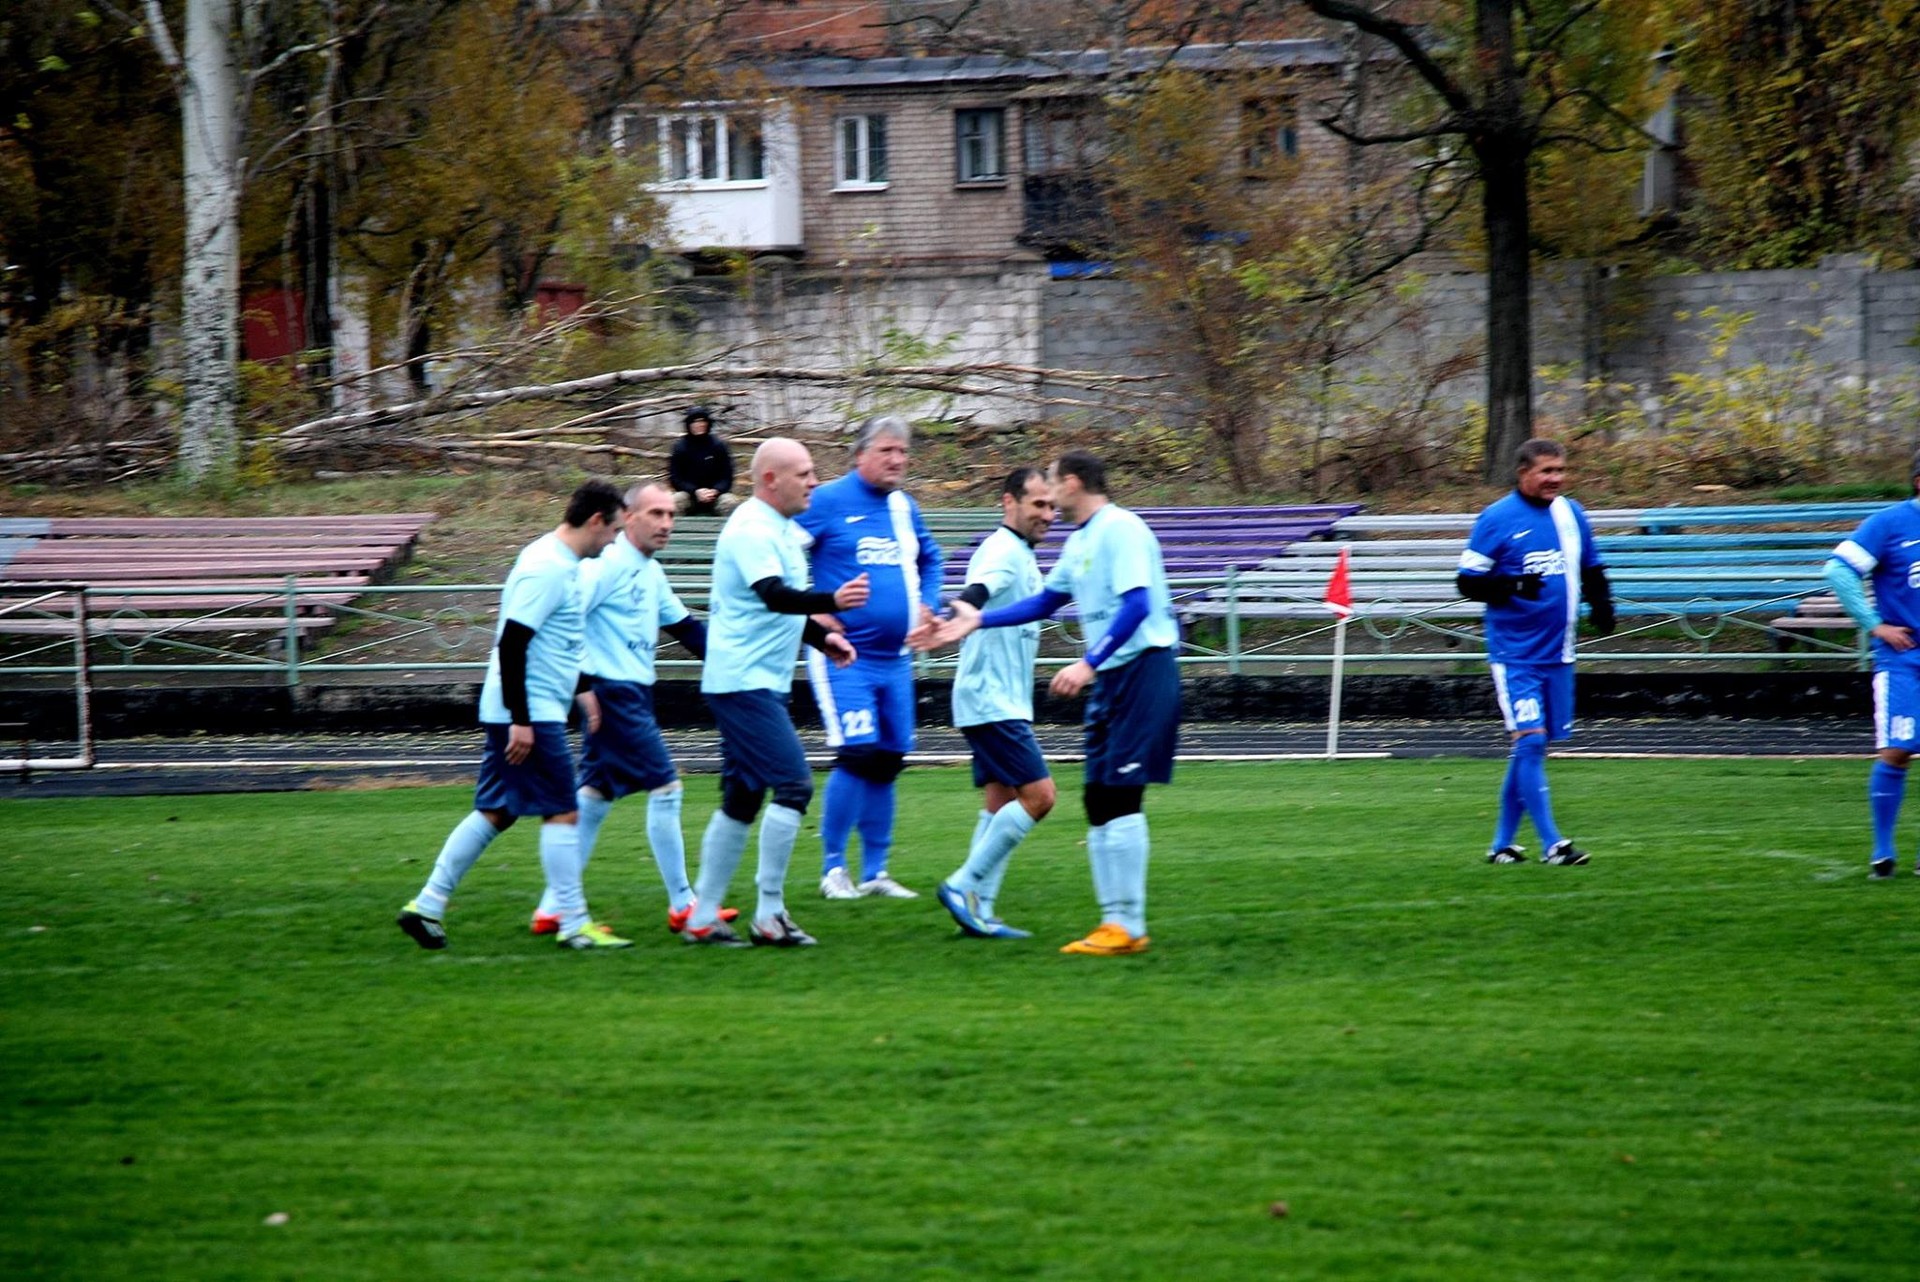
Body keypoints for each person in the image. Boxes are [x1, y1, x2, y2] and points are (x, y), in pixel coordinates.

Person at [917, 450, 1178, 956]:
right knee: (1097, 797)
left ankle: (1124, 924)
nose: (1051, 500)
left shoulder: (1120, 528)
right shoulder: (1080, 541)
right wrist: (978, 619)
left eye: (1053, 485)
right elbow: (1044, 602)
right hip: (1109, 676)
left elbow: (1139, 604)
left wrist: (1087, 663)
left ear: (1073, 483)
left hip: (1143, 669)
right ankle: (1114, 924)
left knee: (1117, 794)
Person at [397, 479, 628, 951]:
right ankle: (572, 923)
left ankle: (427, 905)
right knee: (564, 811)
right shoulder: (547, 568)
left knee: (498, 810)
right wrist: (521, 718)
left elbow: (552, 641)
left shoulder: (561, 564)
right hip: (528, 712)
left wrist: (582, 690)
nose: (614, 542)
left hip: (527, 707)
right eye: (615, 531)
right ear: (596, 521)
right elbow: (513, 644)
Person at [528, 481, 739, 937]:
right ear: (628, 517)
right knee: (667, 789)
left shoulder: (649, 570)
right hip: (613, 694)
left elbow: (686, 629)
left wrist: (734, 662)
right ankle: (684, 903)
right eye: (655, 514)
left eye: (670, 515)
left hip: (632, 693)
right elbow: (566, 619)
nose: (666, 523)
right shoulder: (606, 565)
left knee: (596, 796)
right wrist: (582, 682)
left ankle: (551, 907)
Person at [682, 437, 869, 947]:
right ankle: (769, 914)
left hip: (758, 680)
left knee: (742, 798)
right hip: (743, 682)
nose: (814, 481)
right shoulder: (749, 528)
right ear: (770, 479)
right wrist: (833, 600)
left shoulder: (782, 530)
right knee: (795, 785)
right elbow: (774, 595)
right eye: (804, 473)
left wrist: (823, 637)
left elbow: (777, 608)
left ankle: (701, 917)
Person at [796, 415, 944, 901]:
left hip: (896, 658)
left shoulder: (905, 508)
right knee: (857, 754)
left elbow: (931, 558)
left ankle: (876, 871)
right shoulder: (826, 501)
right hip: (846, 658)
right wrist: (814, 611)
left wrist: (931, 603)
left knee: (888, 760)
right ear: (860, 454)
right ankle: (833, 869)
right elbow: (777, 554)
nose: (897, 459)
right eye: (887, 450)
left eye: (903, 451)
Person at [1455, 438, 1615, 867]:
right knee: (1530, 741)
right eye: (1547, 471)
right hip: (1516, 654)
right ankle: (1553, 844)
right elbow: (1467, 582)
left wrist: (1603, 603)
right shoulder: (1496, 518)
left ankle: (1502, 845)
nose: (1556, 479)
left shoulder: (1572, 513)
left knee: (1531, 749)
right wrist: (1513, 585)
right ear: (1523, 472)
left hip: (1559, 654)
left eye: (1560, 470)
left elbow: (1592, 568)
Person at [929, 467, 1058, 939]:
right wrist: (962, 610)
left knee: (1000, 799)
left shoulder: (1021, 553)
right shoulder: (1003, 550)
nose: (1048, 514)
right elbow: (978, 590)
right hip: (992, 702)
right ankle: (962, 886)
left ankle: (979, 910)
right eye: (1038, 505)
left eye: (1051, 506)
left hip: (993, 700)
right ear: (1010, 503)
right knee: (1041, 797)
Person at [1823, 448, 1920, 878]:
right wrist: (1874, 624)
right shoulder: (1889, 522)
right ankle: (1883, 850)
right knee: (1898, 750)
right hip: (1904, 657)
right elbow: (1839, 571)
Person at [668, 406, 738, 516]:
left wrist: (715, 490)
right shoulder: (680, 447)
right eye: (695, 422)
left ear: (707, 423)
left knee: (730, 502)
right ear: (689, 425)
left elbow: (727, 477)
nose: (699, 425)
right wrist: (695, 491)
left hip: (716, 495)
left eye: (702, 421)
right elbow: (675, 478)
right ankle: (676, 532)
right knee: (674, 502)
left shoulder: (718, 445)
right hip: (689, 495)